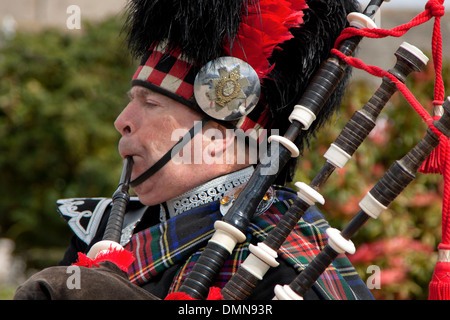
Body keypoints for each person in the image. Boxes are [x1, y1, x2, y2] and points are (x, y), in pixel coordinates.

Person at [14, 0, 374, 300]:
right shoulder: (100, 227)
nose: (122, 120)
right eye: (131, 100)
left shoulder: (285, 267)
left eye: (149, 103)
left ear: (218, 140)